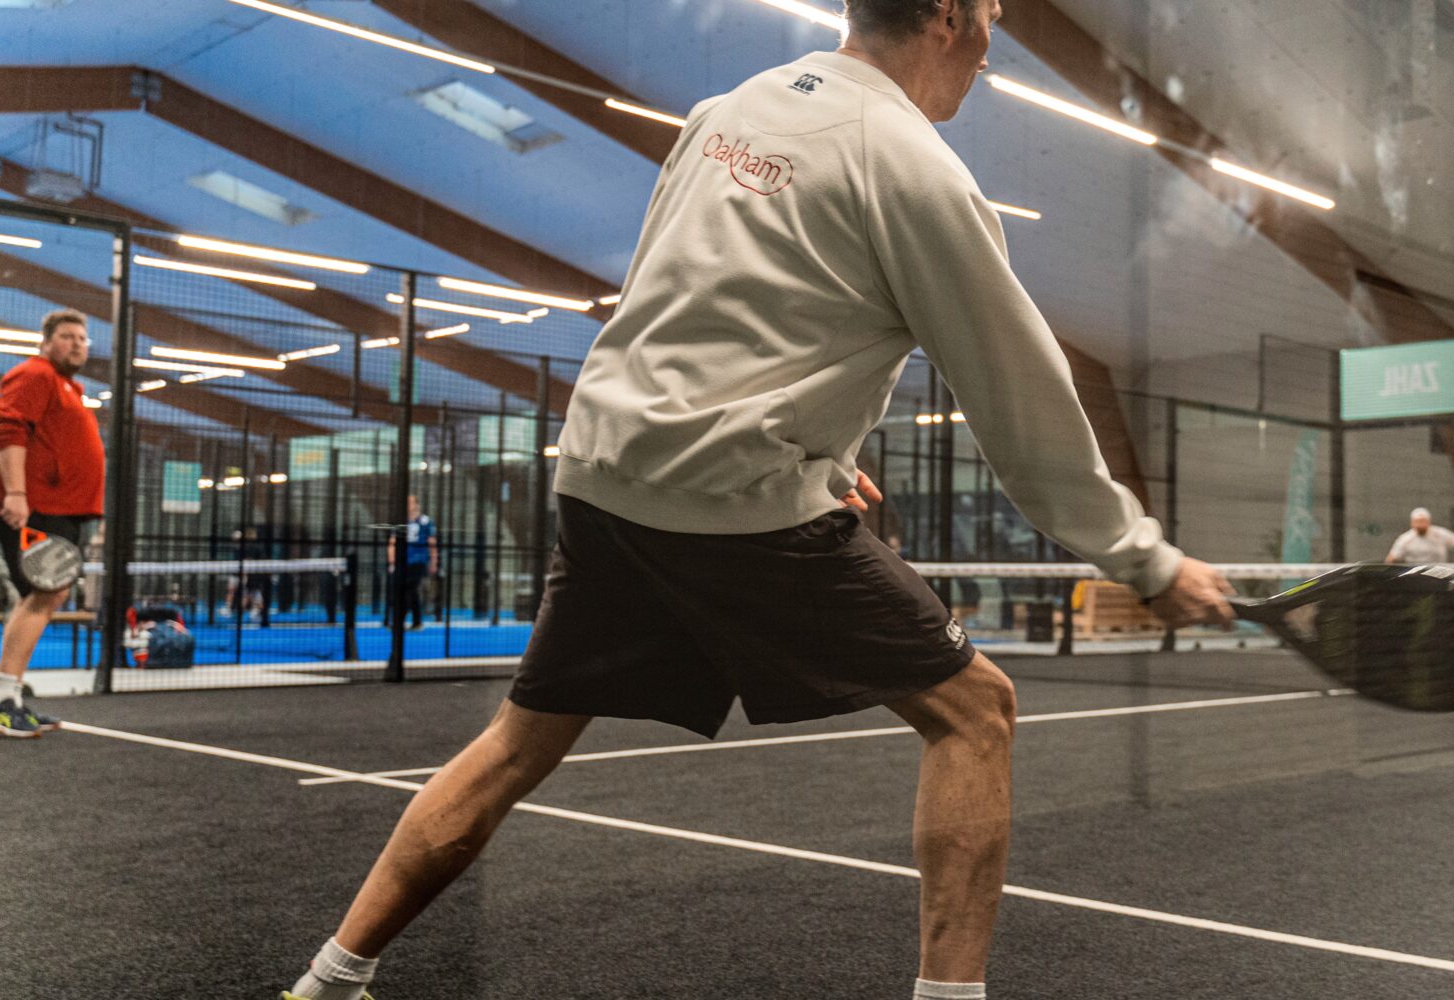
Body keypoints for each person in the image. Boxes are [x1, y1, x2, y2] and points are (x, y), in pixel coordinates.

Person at [280, 3, 1236, 998]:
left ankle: (327, 983)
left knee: (516, 745)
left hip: (605, 476)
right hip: (735, 505)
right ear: (948, 15)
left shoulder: (728, 111)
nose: (993, 39)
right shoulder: (917, 170)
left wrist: (824, 455)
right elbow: (1023, 408)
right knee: (974, 713)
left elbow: (680, 303)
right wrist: (1146, 561)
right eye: (990, 11)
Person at [0, 308, 102, 738]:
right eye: (67, 336)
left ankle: (5, 696)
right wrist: (16, 493)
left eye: (82, 338)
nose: (76, 344)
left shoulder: (68, 387)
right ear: (46, 342)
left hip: (60, 509)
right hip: (36, 506)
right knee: (48, 592)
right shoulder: (34, 374)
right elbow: (9, 429)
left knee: (41, 596)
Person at [384, 495, 436, 631]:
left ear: (417, 504)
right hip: (403, 561)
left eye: (410, 503)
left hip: (418, 561)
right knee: (411, 591)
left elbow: (432, 543)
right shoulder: (401, 522)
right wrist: (392, 561)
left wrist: (434, 561)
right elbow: (392, 543)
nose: (408, 505)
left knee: (409, 589)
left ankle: (398, 621)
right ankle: (417, 622)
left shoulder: (425, 521)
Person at [1385, 507, 1454, 564]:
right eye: (1417, 522)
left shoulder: (1440, 534)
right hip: (1414, 577)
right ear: (1412, 523)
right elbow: (1391, 558)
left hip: (1440, 575)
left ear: (1428, 522)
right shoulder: (1405, 539)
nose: (1419, 525)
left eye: (1422, 521)